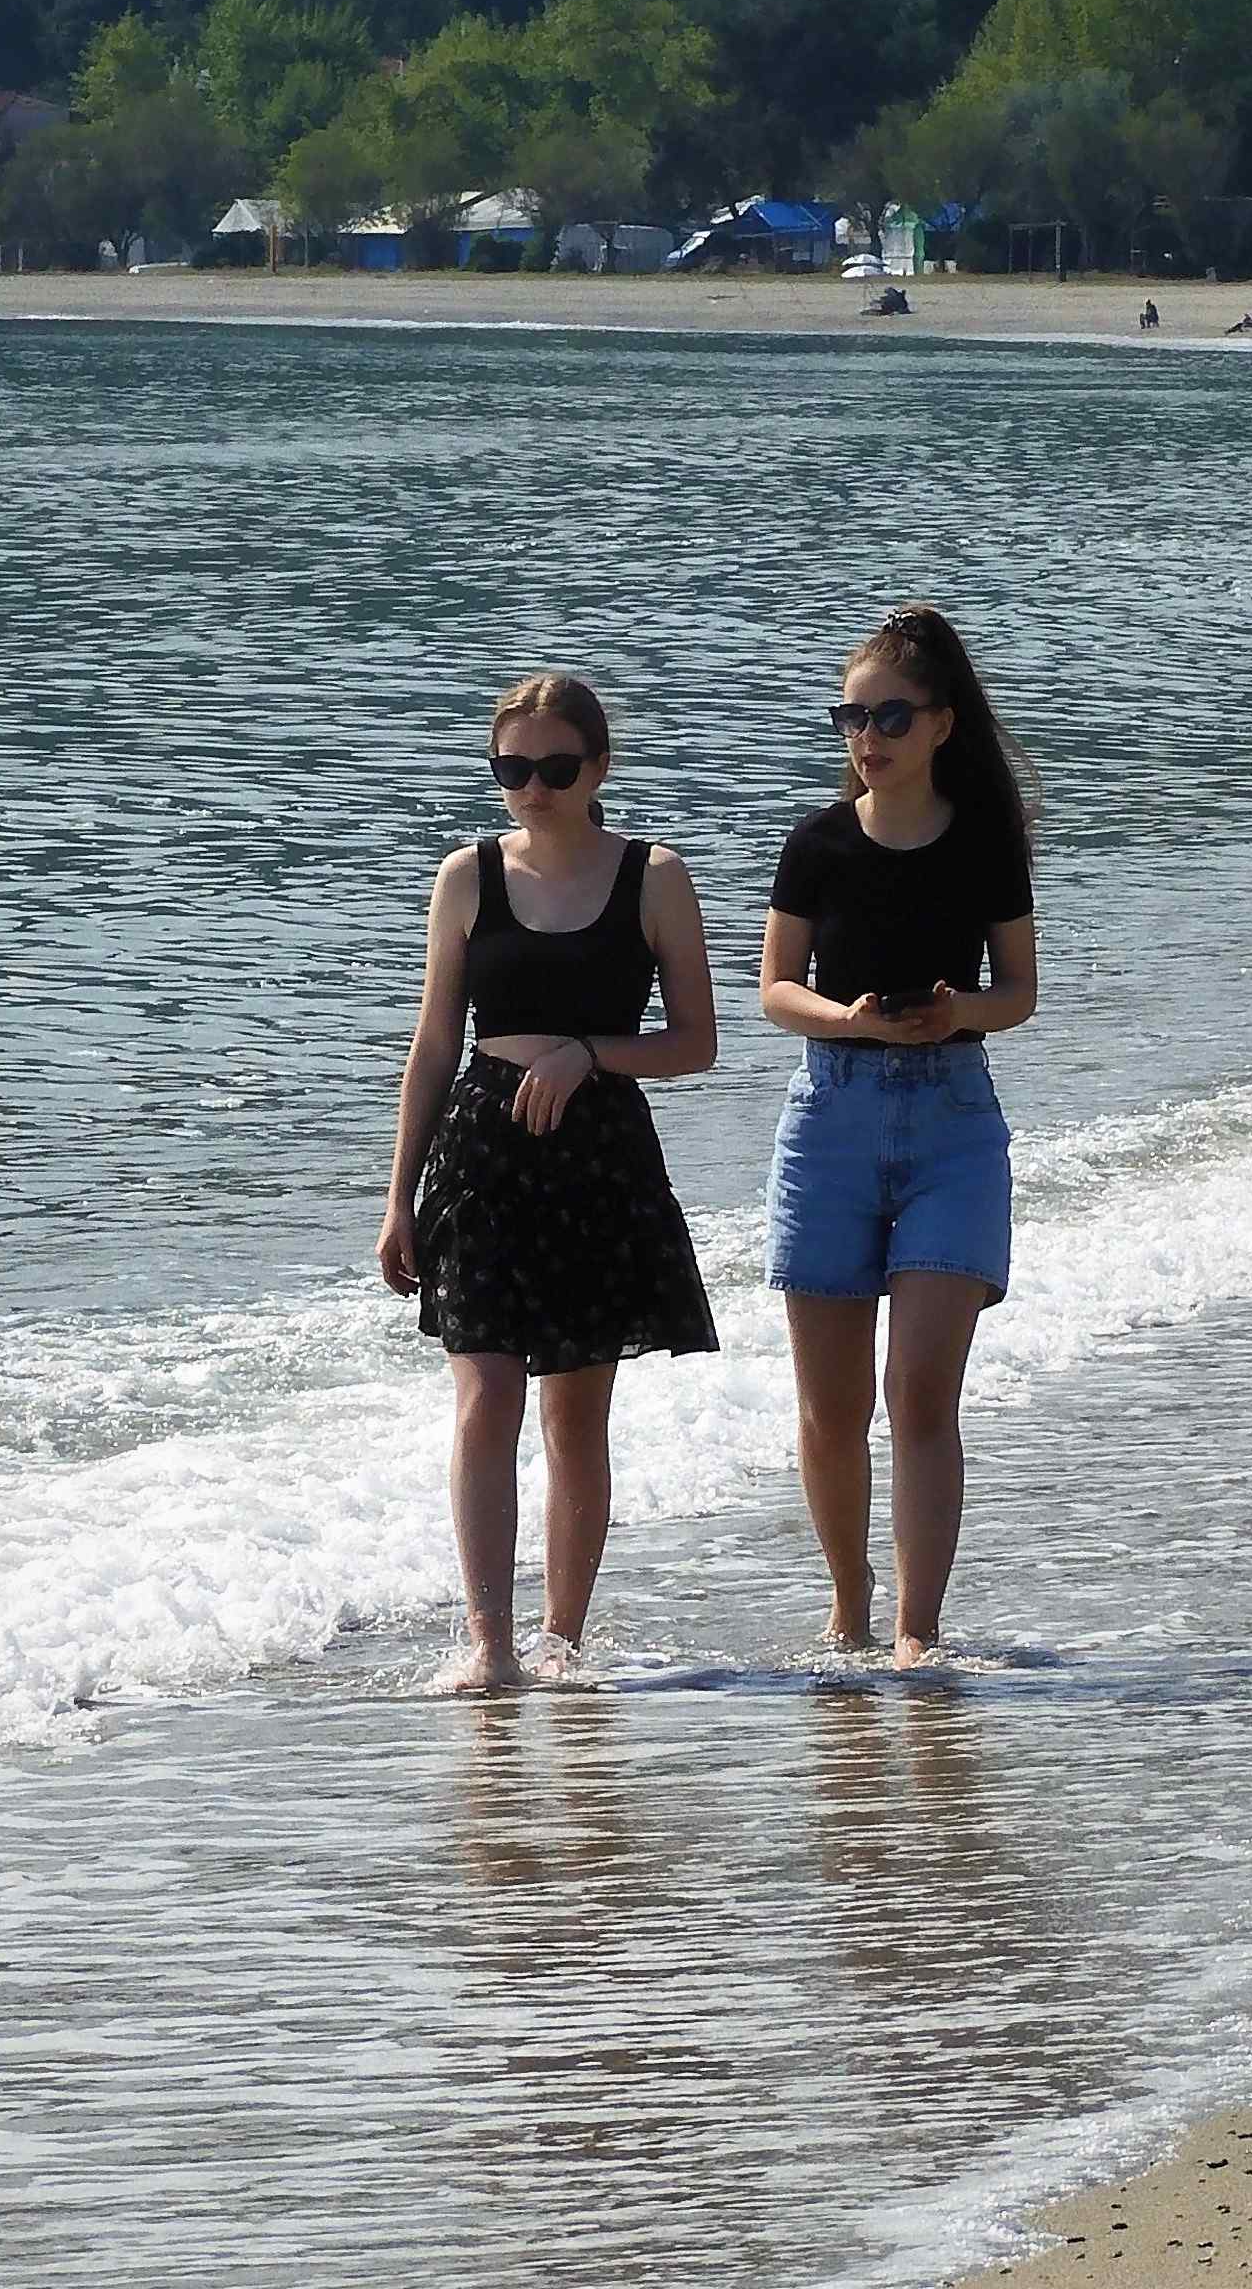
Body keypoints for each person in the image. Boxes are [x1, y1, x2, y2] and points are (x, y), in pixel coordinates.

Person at [381, 672, 718, 1687]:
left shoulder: (654, 876)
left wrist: (587, 1054)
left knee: (575, 1414)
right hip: (481, 1155)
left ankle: (561, 1644)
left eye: (556, 769)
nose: (533, 788)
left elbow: (695, 1043)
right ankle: (489, 1646)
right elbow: (434, 1046)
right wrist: (397, 1199)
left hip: (598, 1154)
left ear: (599, 768)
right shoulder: (467, 876)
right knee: (486, 1395)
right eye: (513, 769)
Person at [758, 604, 1039, 1661]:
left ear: (940, 725)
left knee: (920, 1395)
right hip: (829, 1117)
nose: (866, 736)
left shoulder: (983, 842)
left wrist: (958, 1009)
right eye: (851, 716)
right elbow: (775, 989)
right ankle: (850, 1605)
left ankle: (918, 1635)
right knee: (832, 1411)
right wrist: (850, 1020)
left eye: (888, 716)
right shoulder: (818, 843)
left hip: (951, 1124)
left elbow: (1019, 993)